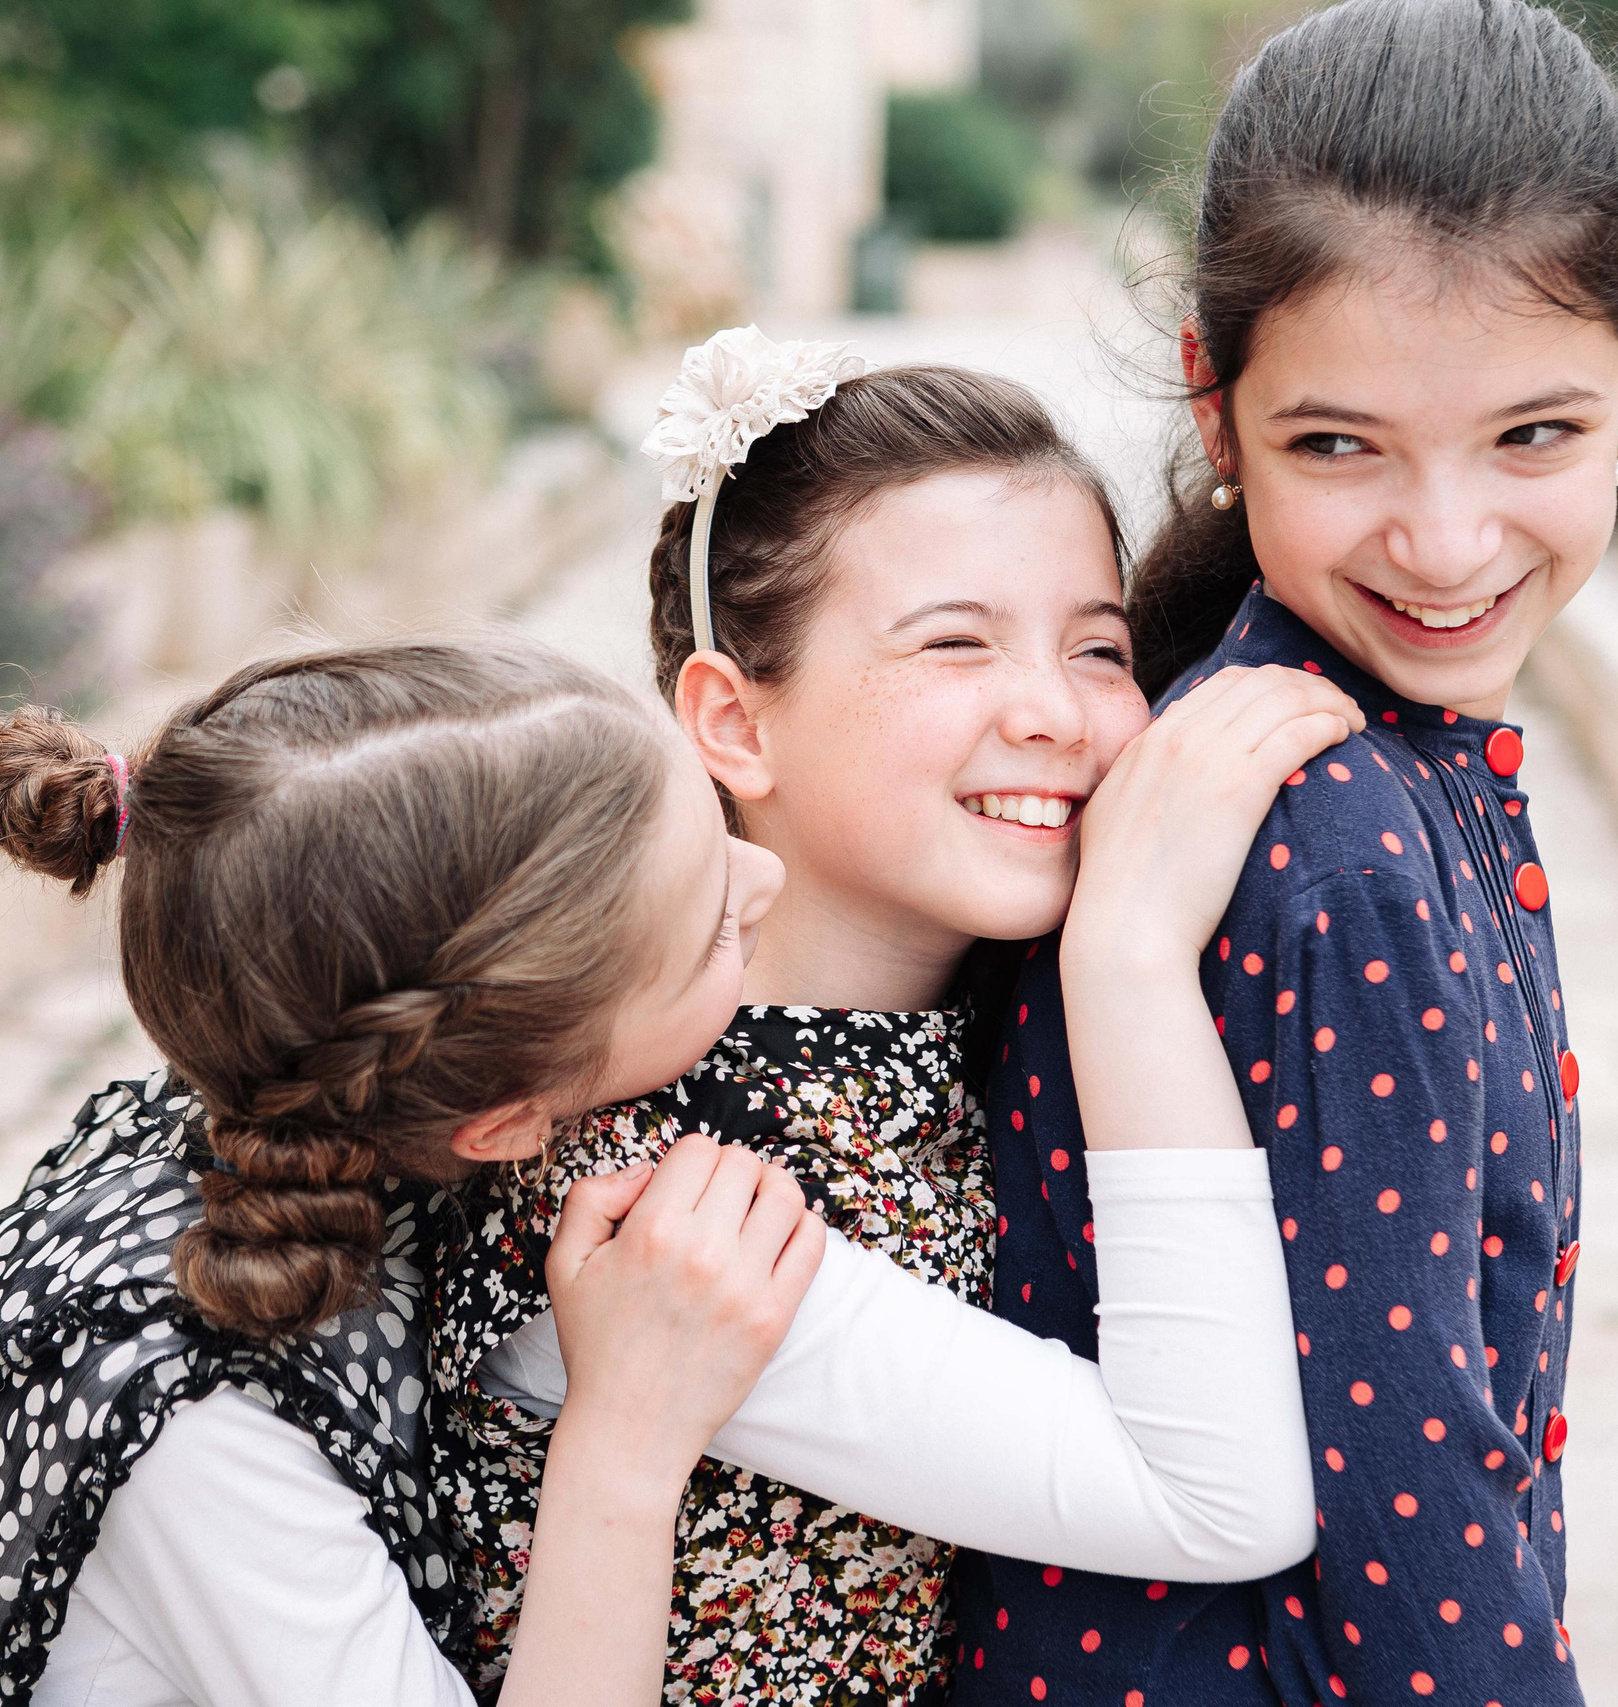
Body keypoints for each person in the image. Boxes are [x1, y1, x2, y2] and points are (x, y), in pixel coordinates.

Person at [956, 2, 1618, 1701]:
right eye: (1338, 445)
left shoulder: (1330, 749)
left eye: (1532, 435)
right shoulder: (1330, 827)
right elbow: (1411, 1484)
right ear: (1214, 404)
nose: (1444, 544)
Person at [430, 340, 1361, 1702]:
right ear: (734, 723)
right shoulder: (669, 1194)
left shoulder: (953, 1047)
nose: (1055, 712)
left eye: (1098, 647)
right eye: (955, 642)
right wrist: (1132, 951)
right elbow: (1217, 1500)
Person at [0, 638, 828, 1707]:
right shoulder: (193, 1428)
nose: (767, 875)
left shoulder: (315, 1095)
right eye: (710, 931)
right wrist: (628, 1442)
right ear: (502, 1123)